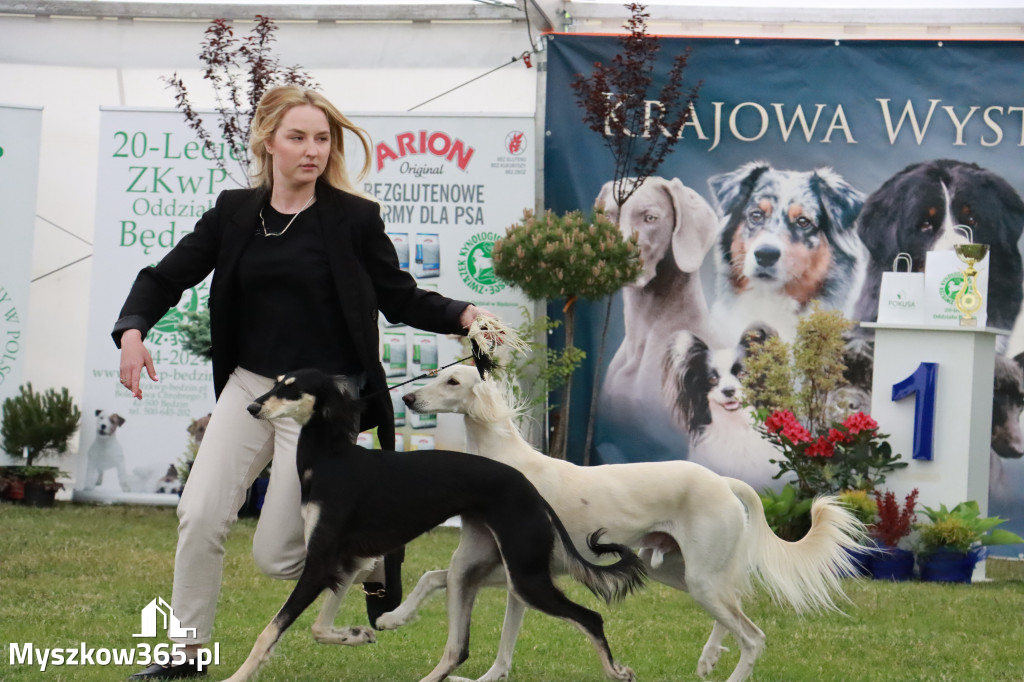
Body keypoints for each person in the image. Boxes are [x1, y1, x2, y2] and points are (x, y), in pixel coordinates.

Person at [115, 85, 488, 679]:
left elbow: (398, 294)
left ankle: (365, 553)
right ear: (268, 142)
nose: (312, 150)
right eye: (298, 137)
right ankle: (184, 654)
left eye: (322, 138)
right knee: (200, 514)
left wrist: (462, 315)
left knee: (277, 556)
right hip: (250, 388)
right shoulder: (234, 213)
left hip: (319, 406)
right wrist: (133, 330)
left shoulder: (352, 219)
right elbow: (164, 277)